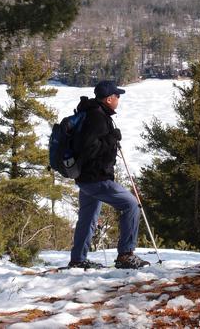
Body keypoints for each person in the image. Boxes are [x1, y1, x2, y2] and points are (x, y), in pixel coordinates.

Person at [68, 80, 150, 270]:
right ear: (109, 98)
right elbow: (89, 148)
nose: (119, 99)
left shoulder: (90, 113)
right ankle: (125, 255)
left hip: (86, 178)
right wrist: (111, 139)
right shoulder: (97, 117)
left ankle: (78, 260)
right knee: (130, 204)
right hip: (97, 177)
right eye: (117, 96)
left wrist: (109, 139)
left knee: (88, 218)